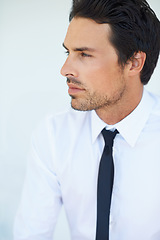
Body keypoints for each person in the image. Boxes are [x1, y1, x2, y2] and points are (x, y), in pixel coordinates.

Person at [14, 0, 160, 239]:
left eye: (84, 54)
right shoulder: (53, 135)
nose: (65, 69)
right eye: (68, 52)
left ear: (134, 62)